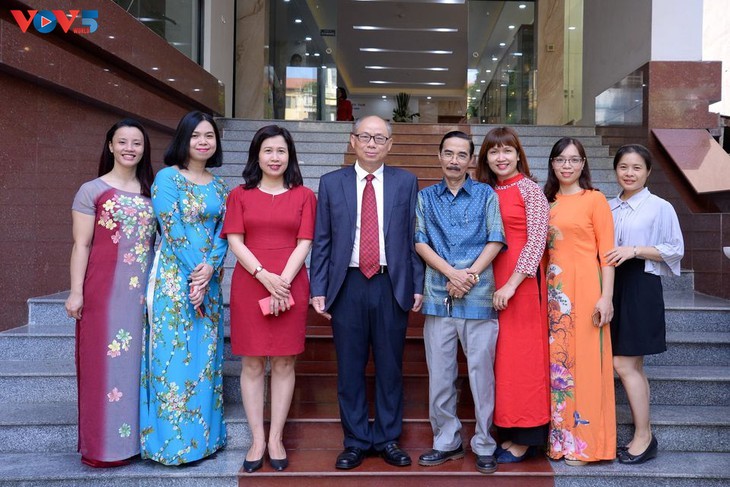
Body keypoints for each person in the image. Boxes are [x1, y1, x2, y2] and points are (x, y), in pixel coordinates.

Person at [310, 115, 424, 470]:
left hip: (392, 283)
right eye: (365, 137)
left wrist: (417, 285)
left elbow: (412, 237)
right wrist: (318, 288)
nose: (372, 143)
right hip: (348, 284)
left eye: (380, 138)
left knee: (390, 366)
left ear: (390, 144)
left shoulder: (406, 182)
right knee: (349, 367)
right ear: (352, 141)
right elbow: (323, 239)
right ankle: (357, 440)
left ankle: (388, 438)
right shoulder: (331, 183)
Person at [221, 125, 316, 473]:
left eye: (281, 151)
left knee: (284, 363)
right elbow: (235, 240)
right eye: (268, 151)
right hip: (250, 283)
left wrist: (283, 282)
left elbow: (305, 242)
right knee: (252, 363)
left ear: (289, 156)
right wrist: (264, 276)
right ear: (256, 156)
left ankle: (275, 437)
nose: (275, 158)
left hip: (291, 284)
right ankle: (257, 438)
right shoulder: (239, 195)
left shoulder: (305, 195)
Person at [65, 119, 156, 467]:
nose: (130, 148)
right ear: (110, 146)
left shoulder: (152, 191)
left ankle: (137, 442)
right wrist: (76, 292)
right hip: (103, 292)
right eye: (123, 142)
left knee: (137, 367)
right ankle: (104, 448)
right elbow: (81, 244)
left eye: (137, 143)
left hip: (143, 295)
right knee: (103, 367)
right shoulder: (92, 190)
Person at [140, 111, 229, 465]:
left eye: (209, 136)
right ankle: (170, 445)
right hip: (174, 282)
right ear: (184, 139)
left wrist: (210, 271)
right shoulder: (167, 179)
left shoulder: (220, 186)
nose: (203, 141)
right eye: (196, 136)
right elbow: (172, 230)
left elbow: (225, 234)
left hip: (209, 281)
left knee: (205, 361)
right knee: (172, 360)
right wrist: (197, 275)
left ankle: (205, 440)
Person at [414, 131, 505, 474]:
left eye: (461, 154)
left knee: (482, 375)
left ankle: (484, 442)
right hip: (439, 298)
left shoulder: (486, 195)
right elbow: (420, 242)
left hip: (479, 298)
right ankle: (447, 441)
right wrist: (452, 274)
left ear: (471, 160)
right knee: (440, 375)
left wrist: (468, 277)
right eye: (448, 153)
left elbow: (496, 239)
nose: (454, 160)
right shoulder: (425, 198)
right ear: (439, 157)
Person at [604, 144, 684, 465]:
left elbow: (675, 248)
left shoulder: (660, 207)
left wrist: (635, 249)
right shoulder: (607, 206)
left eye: (637, 168)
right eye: (624, 167)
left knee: (623, 364)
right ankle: (645, 432)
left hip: (641, 284)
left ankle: (643, 435)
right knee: (633, 365)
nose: (630, 173)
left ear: (648, 172)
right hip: (611, 284)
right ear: (616, 170)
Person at [476, 127, 550, 463]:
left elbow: (536, 243)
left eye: (507, 151)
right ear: (486, 158)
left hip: (518, 286)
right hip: (490, 284)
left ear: (518, 154)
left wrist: (510, 285)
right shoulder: (488, 190)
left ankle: (527, 436)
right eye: (494, 152)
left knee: (522, 360)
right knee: (500, 360)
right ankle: (506, 428)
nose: (501, 158)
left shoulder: (530, 190)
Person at [543, 137, 616, 466]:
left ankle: (587, 446)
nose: (567, 165)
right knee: (559, 366)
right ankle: (560, 442)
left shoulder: (595, 200)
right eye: (561, 160)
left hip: (587, 291)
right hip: (555, 294)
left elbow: (608, 255)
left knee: (586, 367)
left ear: (584, 164)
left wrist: (606, 297)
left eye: (574, 160)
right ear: (553, 164)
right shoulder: (547, 202)